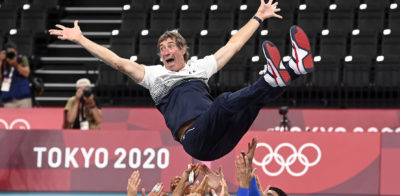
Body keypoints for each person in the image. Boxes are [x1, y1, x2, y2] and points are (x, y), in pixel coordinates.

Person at [49, 0, 314, 161]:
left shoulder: (200, 68)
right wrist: (81, 39)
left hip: (223, 139)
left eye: (170, 45)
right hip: (195, 139)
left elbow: (233, 46)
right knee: (223, 102)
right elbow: (117, 61)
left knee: (251, 104)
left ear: (183, 49)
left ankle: (293, 69)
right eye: (162, 47)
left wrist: (259, 17)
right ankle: (275, 75)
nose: (165, 50)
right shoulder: (153, 76)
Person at [0, 41, 32, 107]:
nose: (11, 54)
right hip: (8, 100)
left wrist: (16, 65)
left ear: (16, 52)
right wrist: (0, 61)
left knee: (26, 117)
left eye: (13, 52)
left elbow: (27, 74)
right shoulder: (3, 62)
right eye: (9, 52)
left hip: (23, 99)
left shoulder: (21, 59)